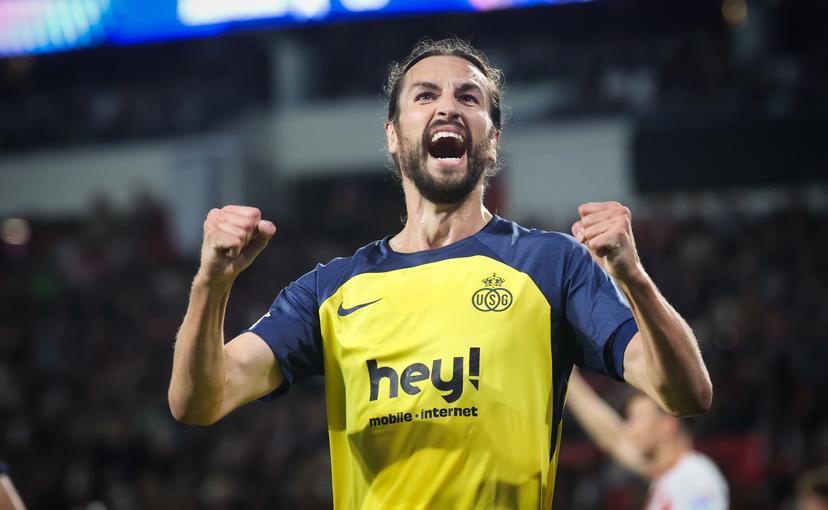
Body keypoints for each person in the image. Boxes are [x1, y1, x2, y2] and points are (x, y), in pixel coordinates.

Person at [168, 37, 712, 509]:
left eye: (468, 97)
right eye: (425, 95)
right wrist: (211, 286)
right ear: (392, 134)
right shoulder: (327, 291)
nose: (447, 107)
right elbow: (200, 401)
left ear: (492, 138)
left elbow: (687, 395)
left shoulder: (552, 264)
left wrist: (635, 278)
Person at [566, 369, 728, 509]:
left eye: (637, 419)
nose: (629, 429)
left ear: (668, 424)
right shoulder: (666, 475)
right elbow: (613, 438)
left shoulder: (696, 477)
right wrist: (569, 379)